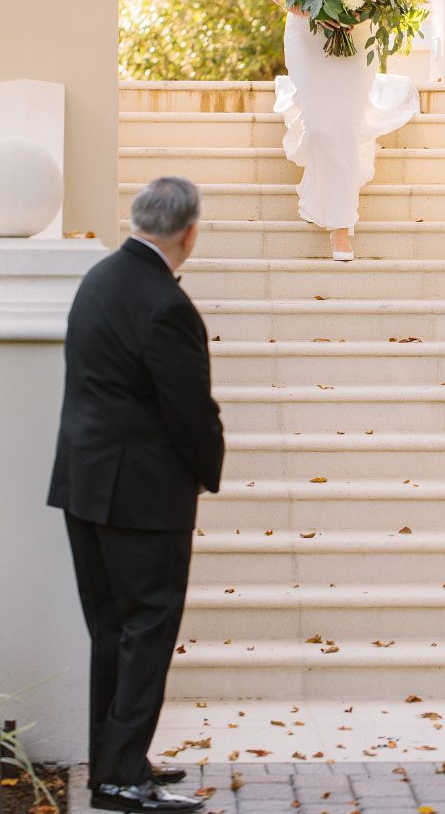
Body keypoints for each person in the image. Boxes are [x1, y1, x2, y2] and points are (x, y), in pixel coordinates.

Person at [47, 177, 225, 814]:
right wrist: (209, 468)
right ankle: (121, 779)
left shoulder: (98, 279)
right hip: (142, 499)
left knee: (113, 630)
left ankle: (117, 763)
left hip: (84, 485)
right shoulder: (166, 304)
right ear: (189, 232)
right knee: (147, 630)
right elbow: (190, 413)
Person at [271, 0, 420, 261]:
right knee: (320, 125)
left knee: (345, 125)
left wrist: (353, 15)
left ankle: (341, 227)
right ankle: (326, 202)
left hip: (355, 40)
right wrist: (315, 12)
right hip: (306, 37)